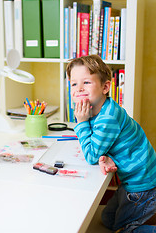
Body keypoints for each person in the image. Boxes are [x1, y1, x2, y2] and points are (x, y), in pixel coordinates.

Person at [66, 54, 156, 233]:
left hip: (141, 185)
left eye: (87, 83)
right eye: (74, 84)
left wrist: (81, 122)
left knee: (122, 230)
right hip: (134, 179)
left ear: (105, 87)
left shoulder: (108, 117)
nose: (79, 89)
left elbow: (91, 156)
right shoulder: (101, 108)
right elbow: (100, 142)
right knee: (107, 219)